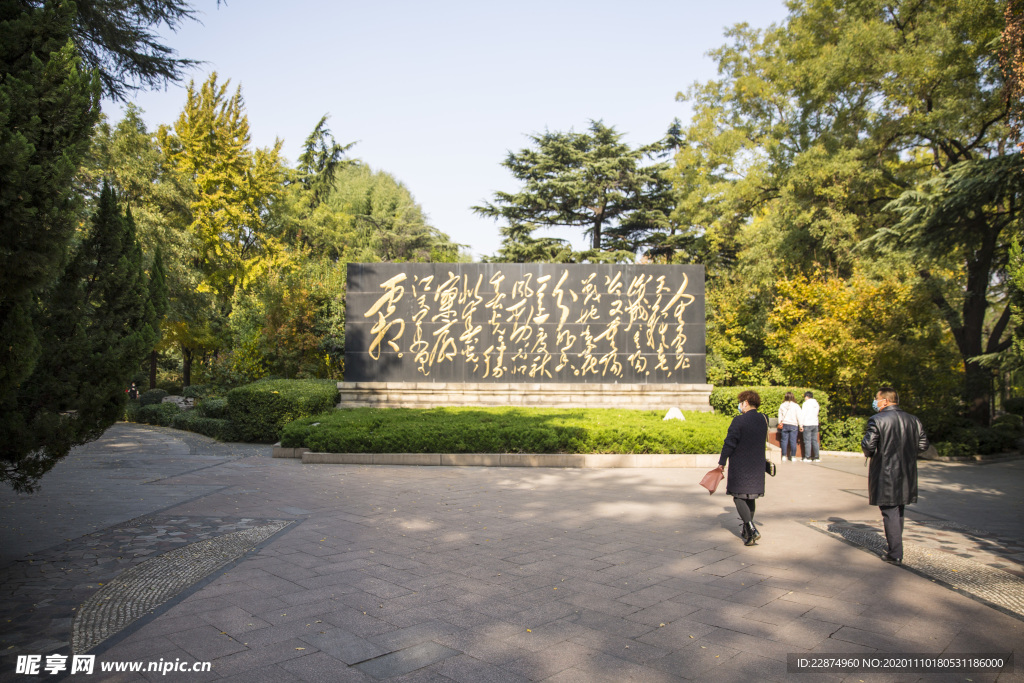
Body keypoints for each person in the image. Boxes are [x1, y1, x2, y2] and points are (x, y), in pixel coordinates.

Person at [861, 386, 929, 565]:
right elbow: (923, 445)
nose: (875, 402)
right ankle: (895, 547)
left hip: (886, 471)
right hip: (907, 471)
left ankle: (895, 553)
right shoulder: (913, 420)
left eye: (877, 398)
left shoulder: (877, 420)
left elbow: (868, 445)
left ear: (885, 400)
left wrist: (873, 453)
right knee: (899, 509)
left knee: (889, 510)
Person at [715, 390, 770, 545]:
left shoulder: (738, 421)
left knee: (738, 496)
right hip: (757, 464)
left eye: (741, 403)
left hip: (740, 465)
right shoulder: (763, 419)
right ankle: (748, 533)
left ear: (745, 402)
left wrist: (722, 462)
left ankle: (751, 528)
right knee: (750, 496)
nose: (740, 406)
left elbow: (729, 443)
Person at [777, 391, 803, 461]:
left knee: (784, 441)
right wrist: (801, 425)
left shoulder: (782, 405)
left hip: (785, 424)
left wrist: (780, 422)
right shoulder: (796, 406)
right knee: (793, 441)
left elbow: (780, 416)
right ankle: (793, 456)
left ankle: (784, 456)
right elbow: (799, 416)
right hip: (793, 425)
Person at [800, 391, 820, 462]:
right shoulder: (816, 404)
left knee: (807, 441)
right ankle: (816, 457)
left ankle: (807, 457)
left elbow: (803, 414)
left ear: (806, 396)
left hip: (807, 424)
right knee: (815, 441)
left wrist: (801, 425)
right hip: (815, 424)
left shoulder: (806, 404)